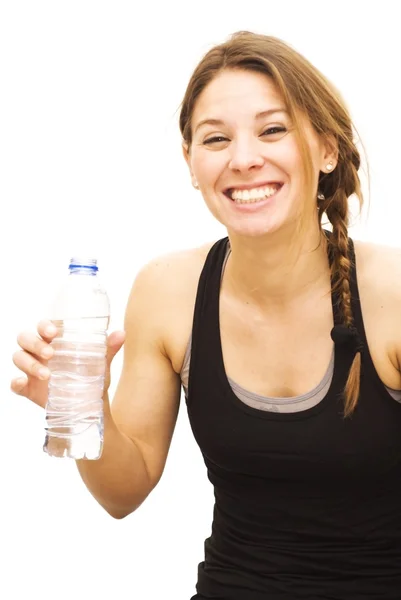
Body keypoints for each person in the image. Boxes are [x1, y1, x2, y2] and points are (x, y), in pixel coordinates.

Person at [11, 30, 401, 599]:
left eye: (273, 129)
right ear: (191, 163)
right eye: (215, 139)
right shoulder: (168, 291)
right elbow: (124, 491)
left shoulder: (391, 293)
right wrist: (87, 410)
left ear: (325, 148)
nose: (244, 159)